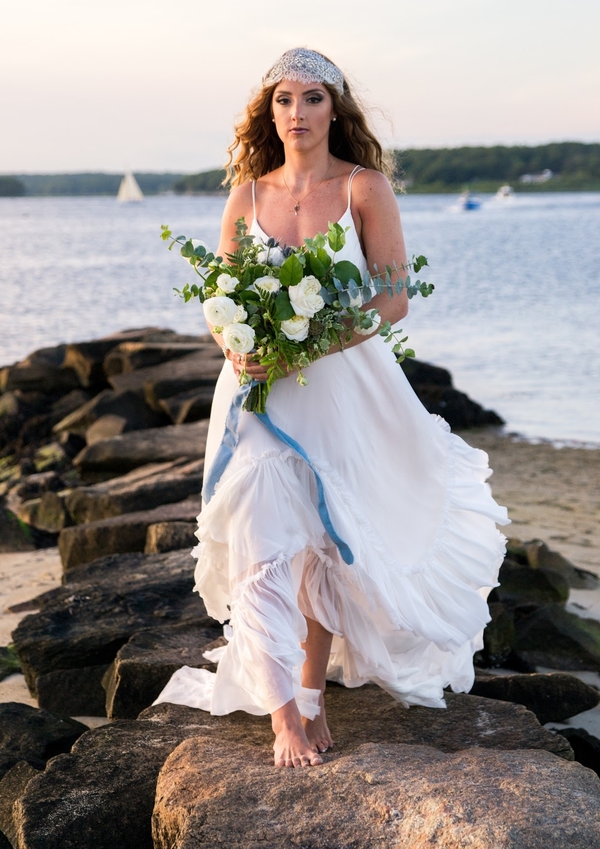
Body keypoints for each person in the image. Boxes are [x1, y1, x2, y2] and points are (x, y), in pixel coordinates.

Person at [154, 48, 509, 768]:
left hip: (340, 386)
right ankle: (283, 714)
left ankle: (310, 696)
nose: (296, 114)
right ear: (269, 112)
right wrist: (234, 339)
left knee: (321, 545)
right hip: (257, 393)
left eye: (311, 99)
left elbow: (394, 295)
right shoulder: (247, 195)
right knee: (262, 543)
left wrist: (316, 340)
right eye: (283, 100)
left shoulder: (363, 187)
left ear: (334, 110)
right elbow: (219, 300)